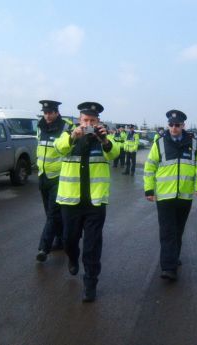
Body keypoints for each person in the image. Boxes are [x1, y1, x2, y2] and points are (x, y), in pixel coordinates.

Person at [54, 101, 119, 302]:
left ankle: (90, 283)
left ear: (98, 121)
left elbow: (115, 153)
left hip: (95, 202)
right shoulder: (68, 135)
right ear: (79, 120)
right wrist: (73, 137)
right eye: (85, 120)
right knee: (69, 239)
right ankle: (72, 258)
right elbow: (58, 149)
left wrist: (104, 140)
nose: (88, 123)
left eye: (92, 120)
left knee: (92, 246)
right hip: (70, 200)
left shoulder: (104, 138)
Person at [143, 110, 197, 281]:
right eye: (170, 125)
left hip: (185, 196)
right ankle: (168, 267)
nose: (173, 128)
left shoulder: (193, 144)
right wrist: (149, 190)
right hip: (165, 197)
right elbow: (149, 167)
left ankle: (173, 257)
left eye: (177, 125)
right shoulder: (160, 143)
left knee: (178, 230)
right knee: (167, 231)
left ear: (183, 125)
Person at [36, 100, 74, 262]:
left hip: (59, 177)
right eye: (45, 112)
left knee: (52, 214)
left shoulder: (66, 127)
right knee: (51, 214)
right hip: (43, 175)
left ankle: (43, 248)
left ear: (57, 112)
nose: (48, 115)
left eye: (50, 112)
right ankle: (61, 240)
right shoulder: (40, 126)